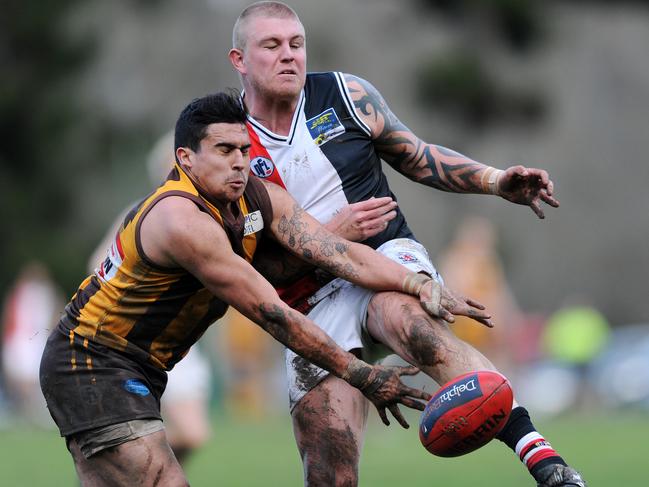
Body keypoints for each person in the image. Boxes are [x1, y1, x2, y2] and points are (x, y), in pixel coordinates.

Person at [39, 91, 490, 487]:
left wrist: (419, 283)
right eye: (223, 150)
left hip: (139, 367)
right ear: (185, 158)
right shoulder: (181, 221)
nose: (238, 161)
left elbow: (339, 253)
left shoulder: (255, 196)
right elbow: (272, 313)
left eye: (242, 148)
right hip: (93, 361)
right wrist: (361, 375)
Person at [228, 3, 586, 486]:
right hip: (309, 301)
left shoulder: (347, 95)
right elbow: (249, 268)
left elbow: (418, 157)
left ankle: (546, 464)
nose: (289, 56)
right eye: (271, 46)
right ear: (239, 60)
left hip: (388, 259)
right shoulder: (229, 143)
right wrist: (330, 237)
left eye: (296, 44)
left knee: (409, 320)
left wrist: (495, 180)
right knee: (329, 467)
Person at [87, 131, 212, 466]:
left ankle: (123, 470)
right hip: (139, 341)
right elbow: (98, 266)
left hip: (182, 343)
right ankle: (116, 466)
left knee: (194, 433)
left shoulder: (209, 216)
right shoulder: (143, 213)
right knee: (179, 432)